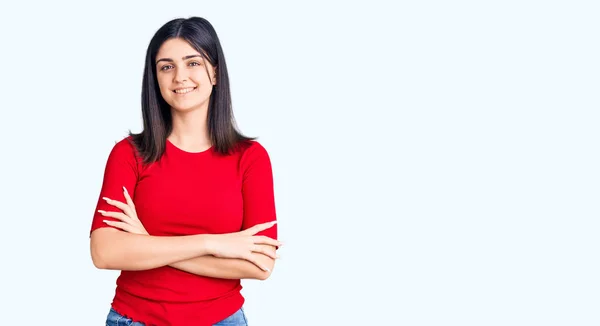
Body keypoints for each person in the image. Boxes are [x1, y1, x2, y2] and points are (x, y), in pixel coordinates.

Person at [89, 16, 281, 326]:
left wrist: (147, 241)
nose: (180, 76)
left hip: (222, 319)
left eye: (193, 63)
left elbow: (260, 264)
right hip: (136, 319)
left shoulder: (251, 159)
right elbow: (104, 252)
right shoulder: (129, 154)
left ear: (215, 72)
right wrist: (212, 244)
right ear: (156, 78)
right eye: (167, 66)